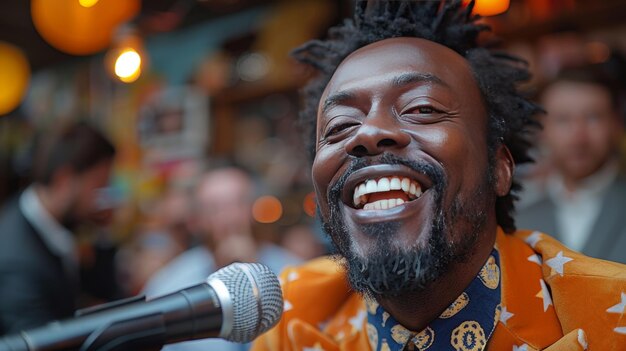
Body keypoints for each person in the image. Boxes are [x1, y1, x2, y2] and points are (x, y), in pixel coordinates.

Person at [252, 1, 626, 350]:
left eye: (422, 108)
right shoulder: (291, 320)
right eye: (339, 126)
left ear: (499, 167)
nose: (367, 133)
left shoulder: (611, 313)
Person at [142, 165, 300, 351]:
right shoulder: (169, 287)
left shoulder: (295, 274)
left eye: (239, 204)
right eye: (214, 209)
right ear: (196, 221)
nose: (229, 218)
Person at [0, 121, 116, 334]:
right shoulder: (19, 265)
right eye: (98, 184)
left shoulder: (51, 224)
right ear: (64, 180)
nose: (101, 198)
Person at [516, 67, 626, 263]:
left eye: (593, 117)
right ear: (542, 129)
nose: (578, 137)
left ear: (616, 123)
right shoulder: (518, 221)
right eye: (563, 120)